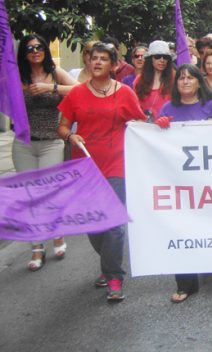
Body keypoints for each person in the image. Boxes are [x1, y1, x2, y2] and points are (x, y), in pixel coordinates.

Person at [57, 42, 147, 302]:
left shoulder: (126, 92)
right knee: (95, 224)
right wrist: (71, 136)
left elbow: (140, 122)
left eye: (103, 59)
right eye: (93, 58)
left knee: (115, 224)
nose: (96, 62)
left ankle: (114, 276)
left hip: (117, 164)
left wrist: (153, 126)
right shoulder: (76, 94)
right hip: (85, 165)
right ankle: (108, 262)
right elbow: (62, 127)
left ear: (114, 65)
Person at [155, 64, 212, 303]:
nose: (185, 82)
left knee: (208, 223)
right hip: (179, 181)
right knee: (182, 227)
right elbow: (156, 142)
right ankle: (185, 283)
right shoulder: (168, 108)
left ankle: (209, 258)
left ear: (199, 82)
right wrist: (160, 127)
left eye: (189, 78)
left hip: (208, 180)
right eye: (181, 79)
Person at [13, 34, 77, 271]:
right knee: (29, 196)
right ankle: (36, 247)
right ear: (24, 53)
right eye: (30, 48)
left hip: (51, 141)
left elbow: (79, 90)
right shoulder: (17, 76)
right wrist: (18, 88)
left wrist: (50, 87)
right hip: (24, 143)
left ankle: (57, 235)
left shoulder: (54, 72)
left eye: (39, 47)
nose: (35, 51)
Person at [134, 40, 175, 120]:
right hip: (143, 127)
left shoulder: (175, 79)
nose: (162, 60)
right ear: (150, 59)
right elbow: (135, 106)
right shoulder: (139, 80)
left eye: (165, 57)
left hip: (168, 127)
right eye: (157, 56)